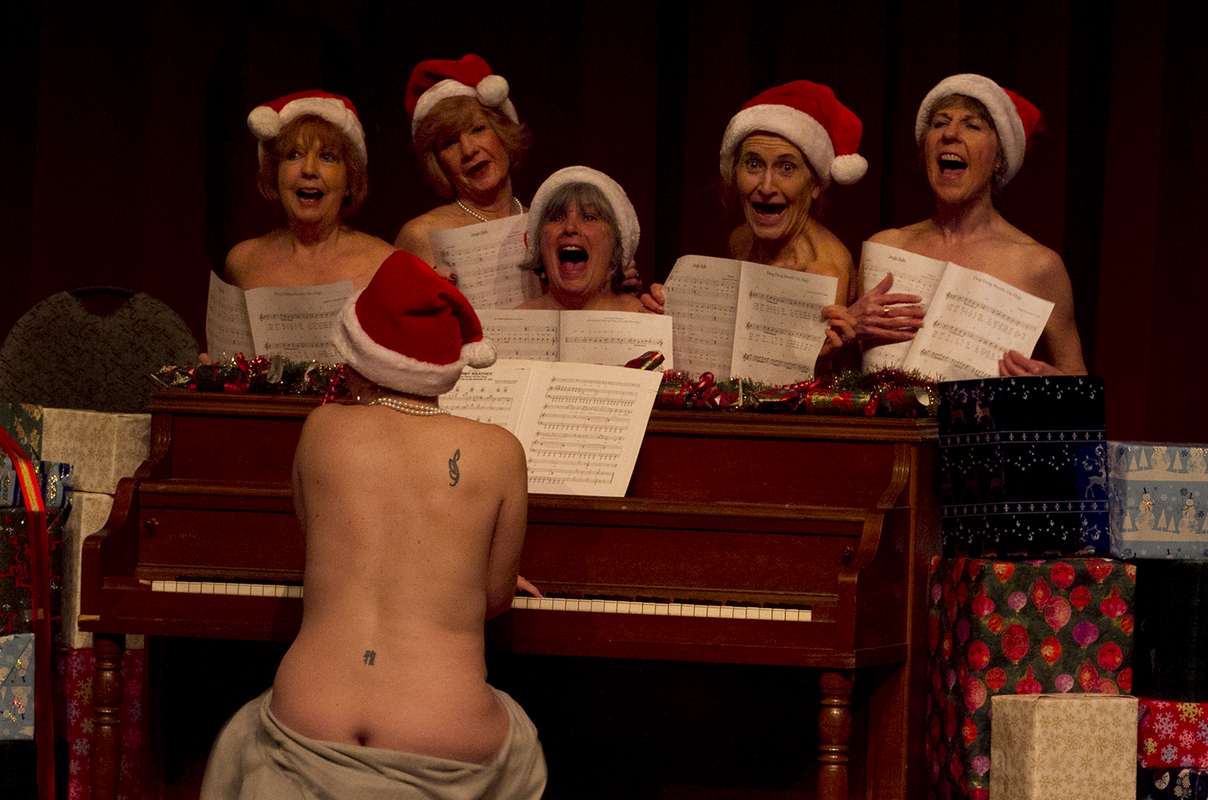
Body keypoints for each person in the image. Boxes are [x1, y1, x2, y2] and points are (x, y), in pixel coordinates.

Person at [200, 251, 547, 798]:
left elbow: (318, 536)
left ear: (358, 355)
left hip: (308, 721)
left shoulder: (321, 428)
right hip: (442, 733)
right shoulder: (500, 450)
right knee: (524, 744)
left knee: (243, 730)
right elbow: (495, 599)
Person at [854, 74, 1087, 375]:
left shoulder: (1038, 265)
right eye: (939, 123)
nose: (950, 133)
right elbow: (842, 375)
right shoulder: (885, 247)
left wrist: (1049, 386)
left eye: (972, 125)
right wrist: (849, 328)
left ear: (999, 158)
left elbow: (1076, 380)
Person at [227, 90, 395, 291]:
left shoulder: (384, 265)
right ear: (275, 174)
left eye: (327, 157)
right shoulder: (242, 263)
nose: (309, 169)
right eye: (294, 155)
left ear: (349, 180)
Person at [395, 54, 530, 273]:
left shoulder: (544, 225)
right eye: (450, 143)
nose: (468, 150)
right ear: (437, 162)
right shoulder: (422, 236)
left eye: (478, 129)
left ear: (504, 133)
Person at [516, 166, 648, 312]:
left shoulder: (644, 319)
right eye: (556, 218)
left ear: (616, 246)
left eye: (589, 217)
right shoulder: (514, 322)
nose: (570, 228)